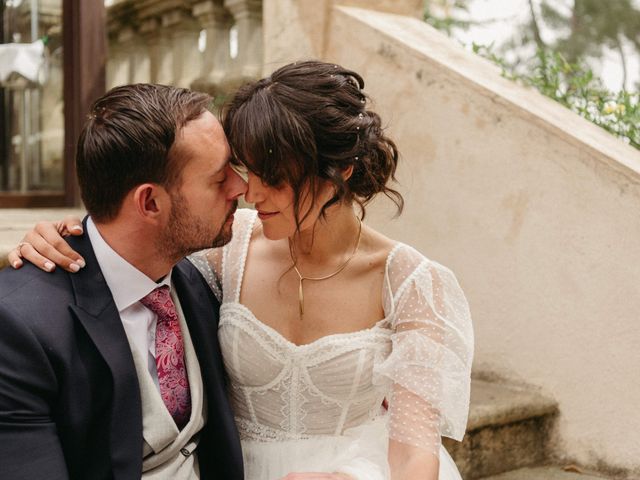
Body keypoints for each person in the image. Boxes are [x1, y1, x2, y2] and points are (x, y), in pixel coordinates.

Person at [11, 61, 474, 480]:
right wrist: (51, 244)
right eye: (240, 170)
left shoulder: (411, 281)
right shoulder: (225, 254)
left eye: (272, 178)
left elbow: (416, 453)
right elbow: (123, 245)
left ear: (342, 170)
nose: (248, 192)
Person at [0, 84, 246, 479]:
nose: (241, 187)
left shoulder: (199, 276)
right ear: (149, 203)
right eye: (219, 179)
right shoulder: (18, 326)